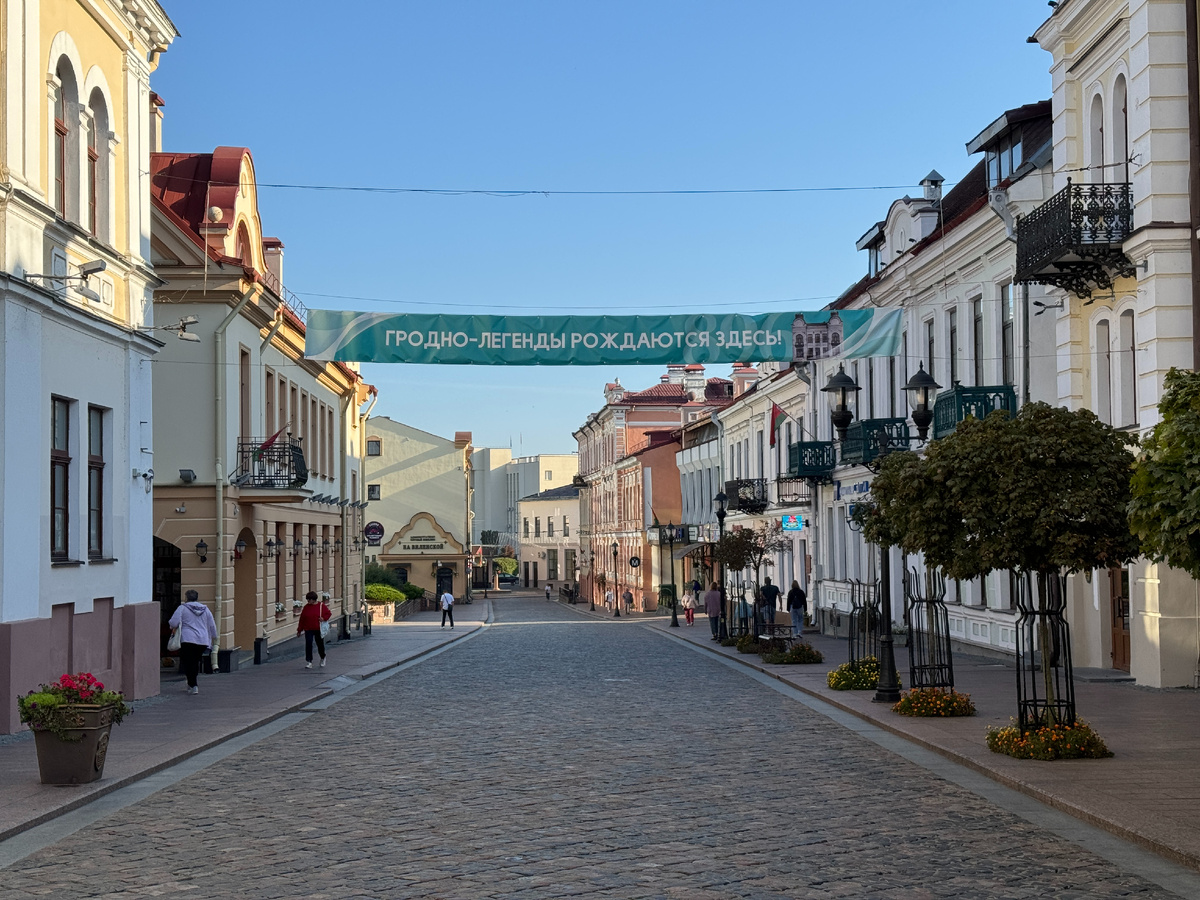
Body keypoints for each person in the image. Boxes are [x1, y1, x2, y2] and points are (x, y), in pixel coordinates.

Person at [169, 590, 218, 695]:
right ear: (197, 597)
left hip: (187, 639)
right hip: (202, 641)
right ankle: (193, 684)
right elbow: (212, 625)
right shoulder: (206, 609)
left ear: (186, 598)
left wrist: (173, 627)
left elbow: (173, 622)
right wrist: (214, 636)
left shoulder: (182, 608)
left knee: (187, 662)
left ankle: (192, 684)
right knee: (195, 661)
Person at [297, 591, 332, 668]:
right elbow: (302, 619)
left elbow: (328, 613)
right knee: (308, 644)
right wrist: (299, 630)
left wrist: (323, 618)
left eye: (309, 600)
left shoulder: (321, 606)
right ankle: (309, 661)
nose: (308, 601)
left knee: (319, 644)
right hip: (308, 629)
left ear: (313, 599)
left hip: (318, 628)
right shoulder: (306, 607)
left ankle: (323, 657)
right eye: (307, 600)